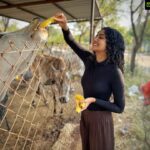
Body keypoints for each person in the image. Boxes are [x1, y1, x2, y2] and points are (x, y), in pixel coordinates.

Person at [53, 13, 125, 150]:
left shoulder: (114, 72)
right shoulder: (89, 60)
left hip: (100, 120)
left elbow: (120, 107)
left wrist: (93, 100)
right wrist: (64, 27)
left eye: (101, 37)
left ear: (111, 45)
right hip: (85, 117)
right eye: (96, 35)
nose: (95, 38)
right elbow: (72, 42)